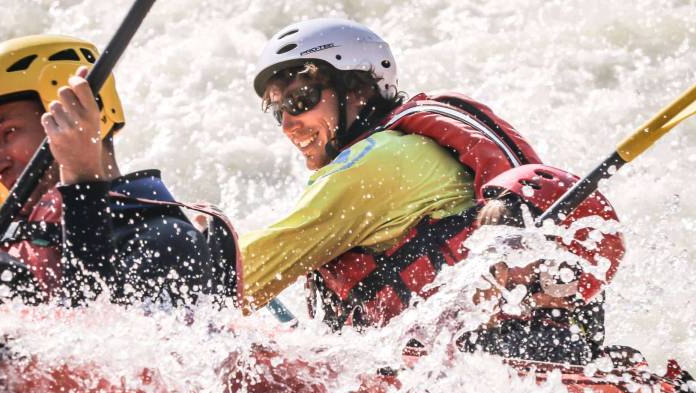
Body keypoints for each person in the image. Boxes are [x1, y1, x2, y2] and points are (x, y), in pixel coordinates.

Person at [240, 18, 625, 364]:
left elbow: (240, 280)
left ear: (357, 88)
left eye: (301, 100)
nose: (289, 124)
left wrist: (193, 248)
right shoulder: (414, 148)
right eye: (279, 112)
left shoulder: (375, 163)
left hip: (486, 360)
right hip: (535, 349)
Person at [0, 35, 213, 307]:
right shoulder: (25, 240)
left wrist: (82, 182)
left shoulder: (168, 239)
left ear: (78, 116)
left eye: (9, 133)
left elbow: (97, 335)